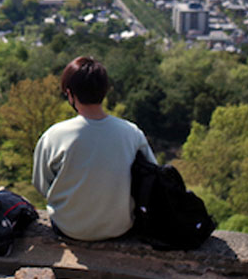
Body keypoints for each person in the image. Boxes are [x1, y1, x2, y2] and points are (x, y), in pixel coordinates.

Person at [32, 56, 157, 241]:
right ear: (105, 91)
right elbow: (152, 176)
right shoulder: (131, 133)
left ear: (69, 93)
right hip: (119, 226)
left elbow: (41, 184)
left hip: (69, 227)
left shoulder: (54, 135)